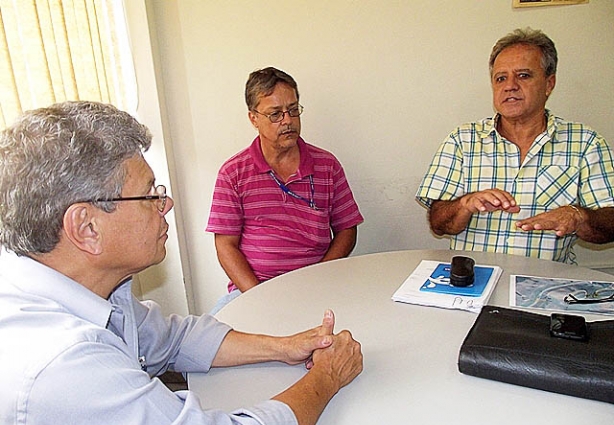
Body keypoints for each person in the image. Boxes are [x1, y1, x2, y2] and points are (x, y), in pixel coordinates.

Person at [0, 101, 363, 425]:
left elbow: (172, 338)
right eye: (149, 194)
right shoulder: (65, 367)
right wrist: (326, 378)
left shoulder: (95, 288)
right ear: (87, 227)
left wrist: (285, 346)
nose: (166, 204)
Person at [416, 27, 614, 264]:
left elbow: (610, 221)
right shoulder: (462, 140)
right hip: (473, 283)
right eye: (501, 78)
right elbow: (438, 223)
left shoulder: (585, 143)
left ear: (549, 84)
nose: (510, 85)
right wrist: (464, 204)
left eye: (523, 75)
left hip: (545, 285)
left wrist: (578, 217)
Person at [207, 67, 364, 311]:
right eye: (275, 114)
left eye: (293, 110)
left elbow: (347, 229)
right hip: (253, 290)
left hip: (319, 288)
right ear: (253, 118)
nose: (288, 120)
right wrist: (260, 296)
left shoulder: (327, 165)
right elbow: (225, 246)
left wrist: (320, 277)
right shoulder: (233, 173)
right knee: (212, 340)